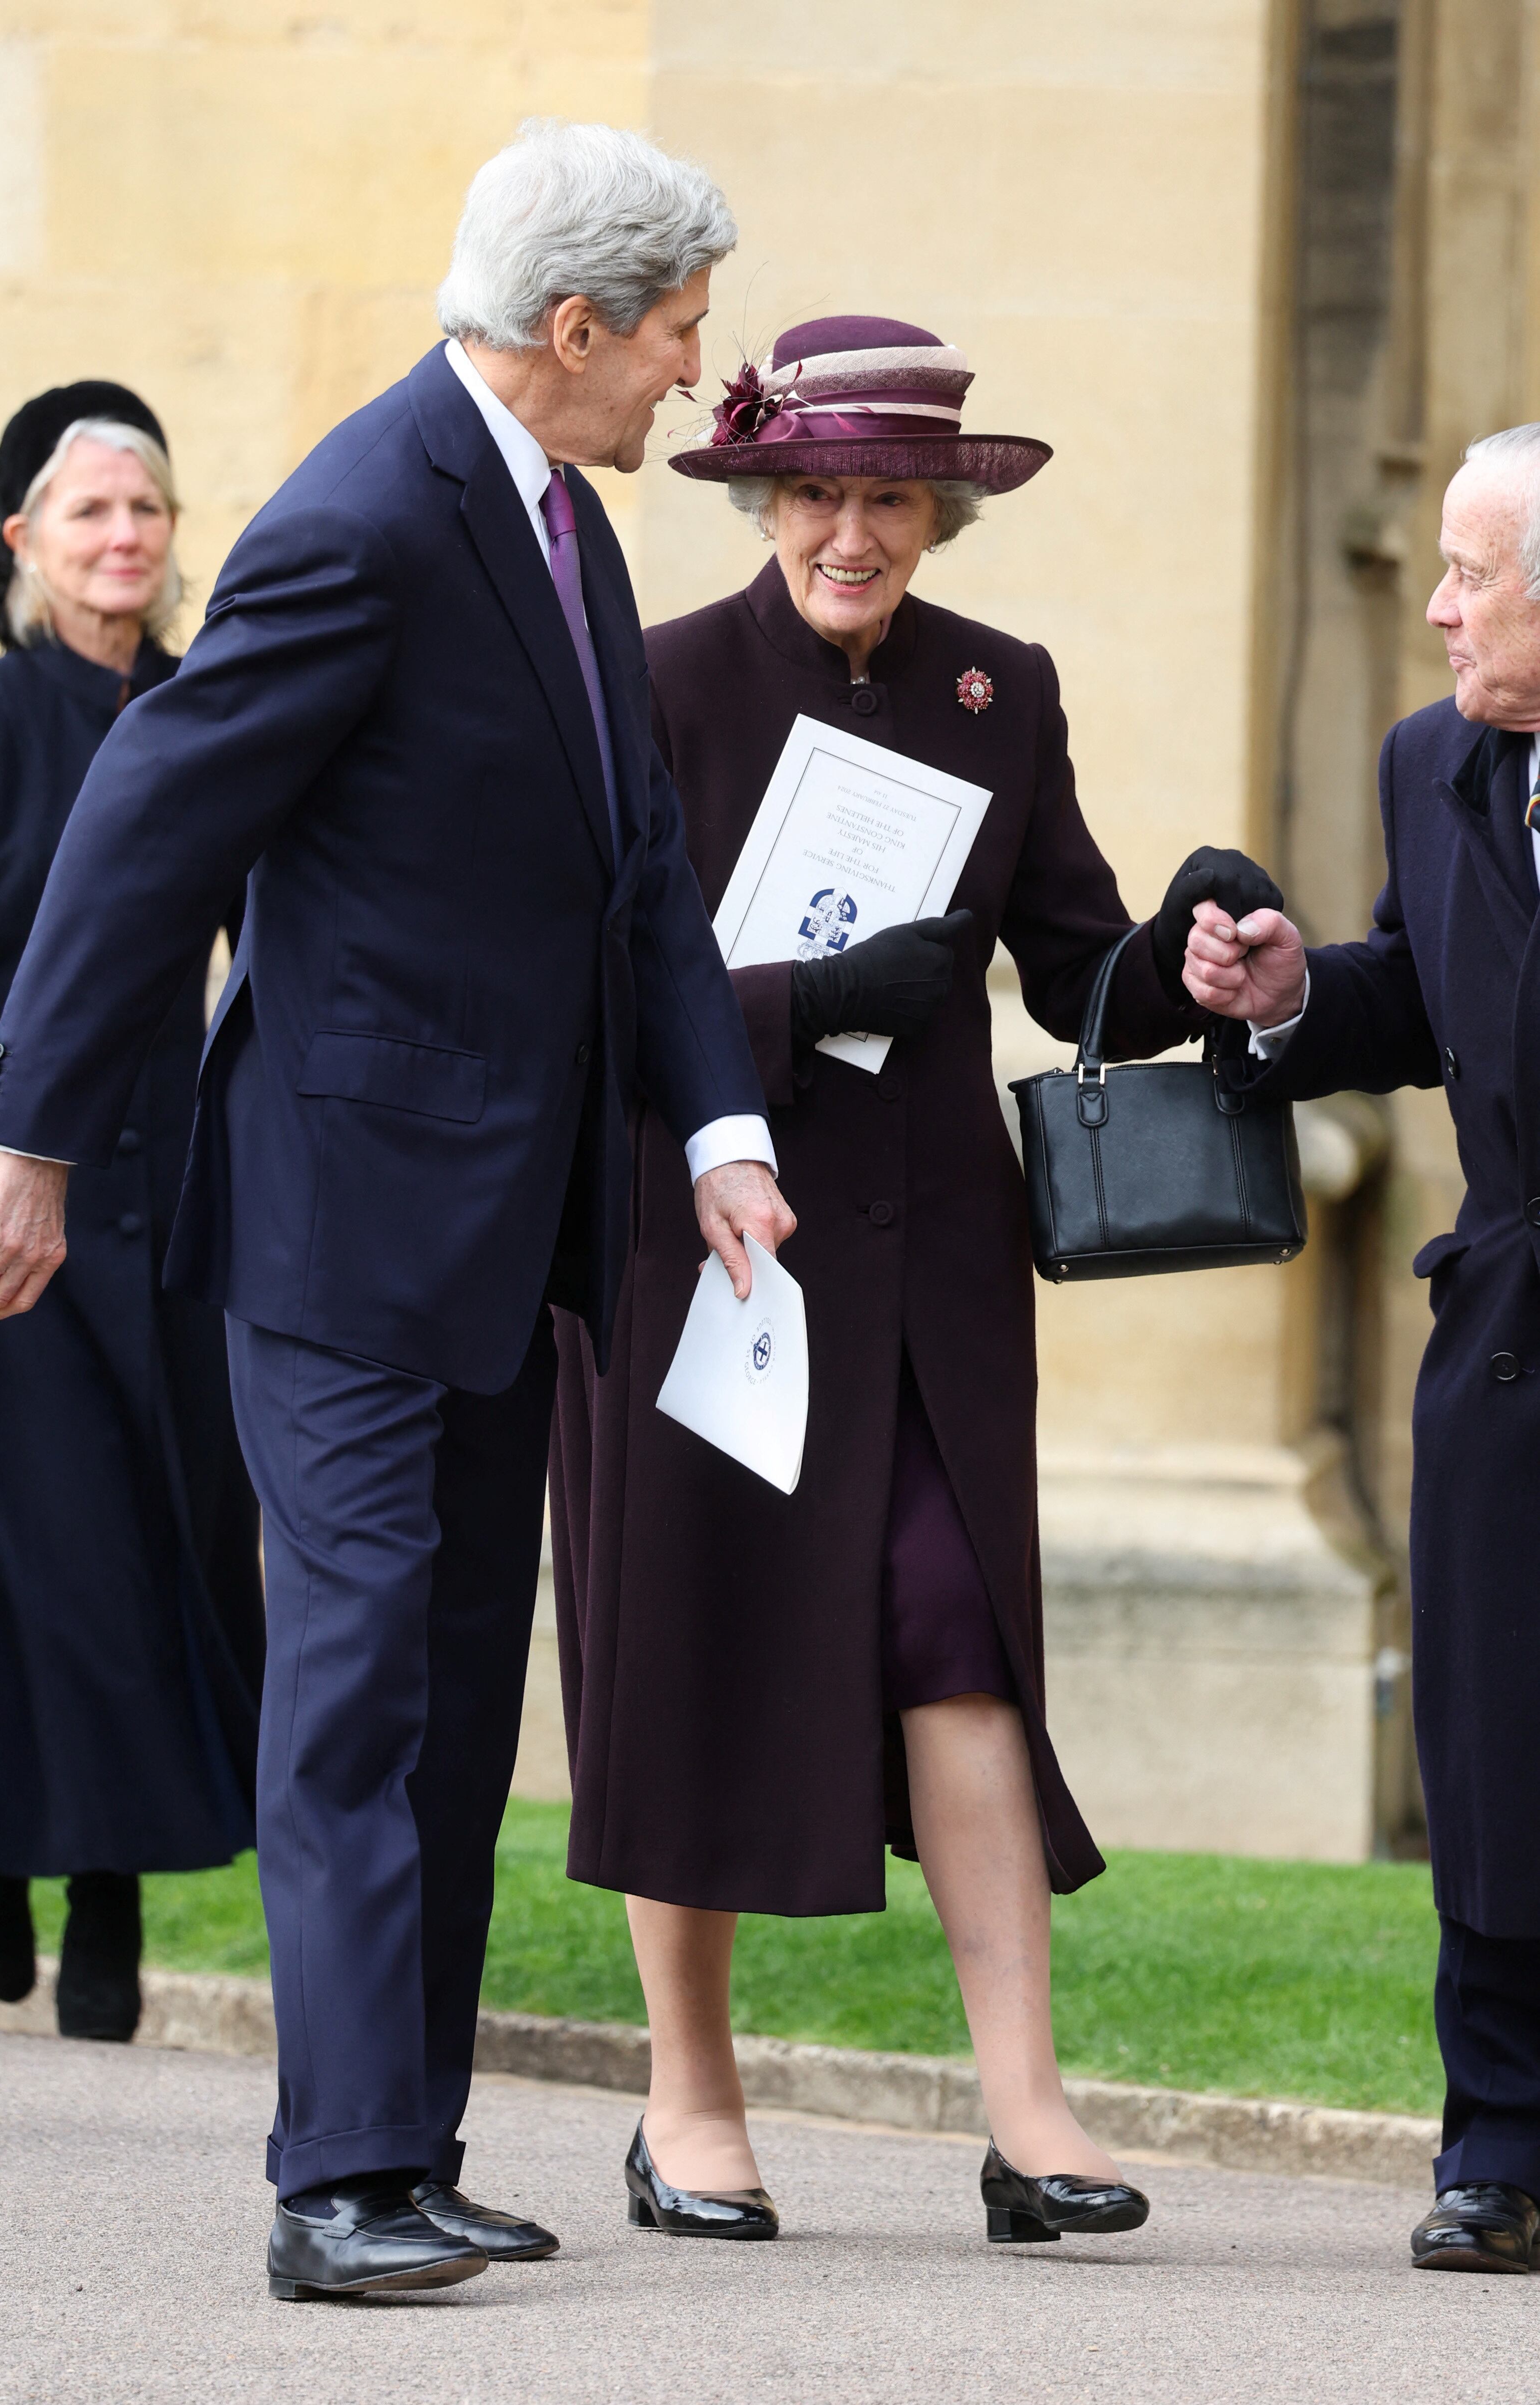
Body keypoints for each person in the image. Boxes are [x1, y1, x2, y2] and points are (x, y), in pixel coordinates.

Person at [0, 122, 794, 2302]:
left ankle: (408, 2142)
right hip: (333, 1224)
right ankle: (335, 2181)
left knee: (446, 1683)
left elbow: (638, 883)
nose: (697, 374)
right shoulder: (358, 516)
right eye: (679, 333)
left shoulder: (567, 530)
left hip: (505, 1235)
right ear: (575, 327)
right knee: (350, 1697)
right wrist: (25, 1135)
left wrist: (715, 1133)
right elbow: (152, 815)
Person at [549, 315, 1278, 2242]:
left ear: (942, 513)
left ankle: (1031, 2114)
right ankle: (686, 2103)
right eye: (818, 494)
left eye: (889, 497)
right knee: (688, 1647)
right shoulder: (658, 684)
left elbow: (1075, 967)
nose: (850, 533)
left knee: (959, 1641)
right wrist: (795, 1008)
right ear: (765, 496)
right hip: (705, 1252)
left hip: (936, 1275)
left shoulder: (997, 689)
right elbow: (586, 997)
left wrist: (1184, 951)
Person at [0, 385, 264, 2043]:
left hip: (171, 1209)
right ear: (20, 537)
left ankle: (100, 1879)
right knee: (35, 1551)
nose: (124, 537)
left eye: (148, 511)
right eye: (90, 510)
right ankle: (18, 1873)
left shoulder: (220, 711)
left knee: (162, 1538)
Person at [1184, 424, 1540, 2277]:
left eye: (1471, 575)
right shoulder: (1431, 762)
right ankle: (1498, 2149)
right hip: (1507, 1334)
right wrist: (1288, 988)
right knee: (1490, 1739)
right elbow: (1415, 989)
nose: (1441, 611)